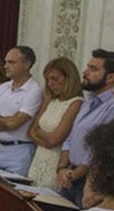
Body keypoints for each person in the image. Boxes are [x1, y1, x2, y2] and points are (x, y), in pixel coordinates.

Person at [57, 49, 114, 207]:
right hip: (70, 175)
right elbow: (71, 136)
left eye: (93, 69)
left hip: (89, 181)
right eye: (88, 66)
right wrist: (62, 168)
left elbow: (99, 148)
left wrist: (75, 174)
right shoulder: (89, 100)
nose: (85, 72)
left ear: (111, 77)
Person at [0, 46, 44, 177]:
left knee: (12, 192)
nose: (5, 66)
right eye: (6, 62)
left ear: (27, 65)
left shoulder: (34, 91)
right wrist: (4, 121)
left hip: (19, 152)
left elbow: (15, 123)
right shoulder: (3, 87)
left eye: (11, 62)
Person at [27, 58, 84, 190]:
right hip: (39, 157)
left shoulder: (76, 103)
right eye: (47, 79)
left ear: (68, 78)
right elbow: (31, 131)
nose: (50, 84)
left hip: (56, 160)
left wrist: (40, 133)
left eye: (55, 79)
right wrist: (44, 142)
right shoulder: (50, 100)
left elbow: (55, 139)